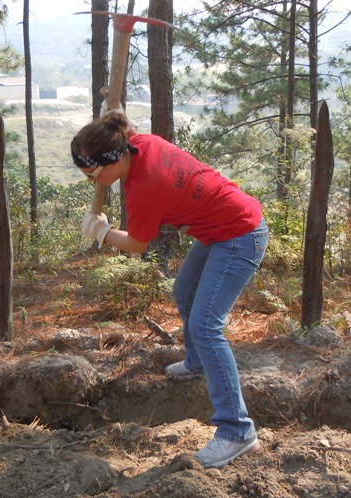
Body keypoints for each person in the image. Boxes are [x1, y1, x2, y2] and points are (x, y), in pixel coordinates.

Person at [70, 111, 269, 468]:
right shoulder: (139, 143)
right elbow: (124, 126)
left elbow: (137, 244)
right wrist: (108, 122)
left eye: (93, 175)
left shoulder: (144, 187)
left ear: (114, 159)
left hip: (239, 235)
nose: (91, 182)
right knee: (184, 291)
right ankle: (196, 363)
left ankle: (237, 430)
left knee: (206, 326)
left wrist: (100, 232)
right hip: (219, 228)